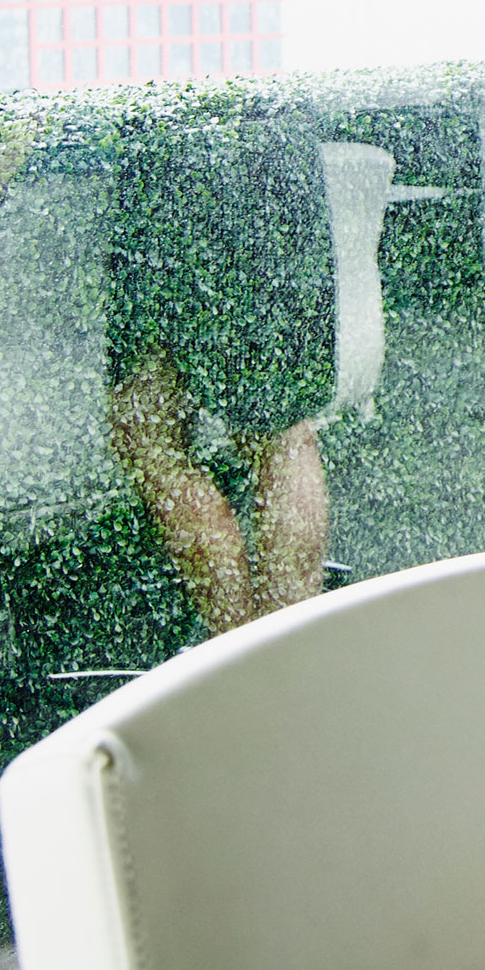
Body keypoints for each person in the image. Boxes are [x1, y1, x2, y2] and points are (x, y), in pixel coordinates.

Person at [94, 93, 340, 637]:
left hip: (171, 162)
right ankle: (281, 655)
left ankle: (230, 651)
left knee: (149, 436)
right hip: (276, 159)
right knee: (282, 437)